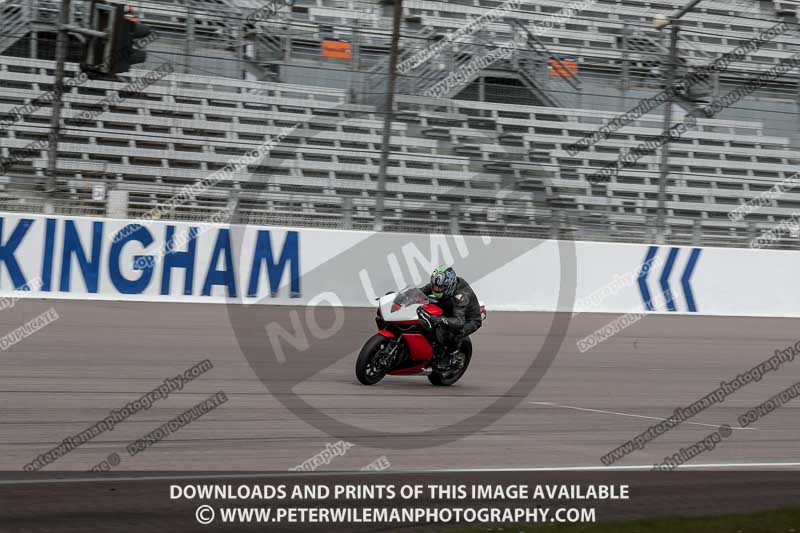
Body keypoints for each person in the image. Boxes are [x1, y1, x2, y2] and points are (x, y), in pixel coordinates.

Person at [419, 266, 483, 371]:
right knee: (424, 309)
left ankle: (450, 356)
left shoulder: (461, 295)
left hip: (467, 318)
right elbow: (419, 292)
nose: (436, 289)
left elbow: (459, 321)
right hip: (449, 307)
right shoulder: (438, 284)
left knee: (454, 331)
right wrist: (399, 297)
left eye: (440, 288)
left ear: (449, 286)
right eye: (434, 286)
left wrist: (440, 320)